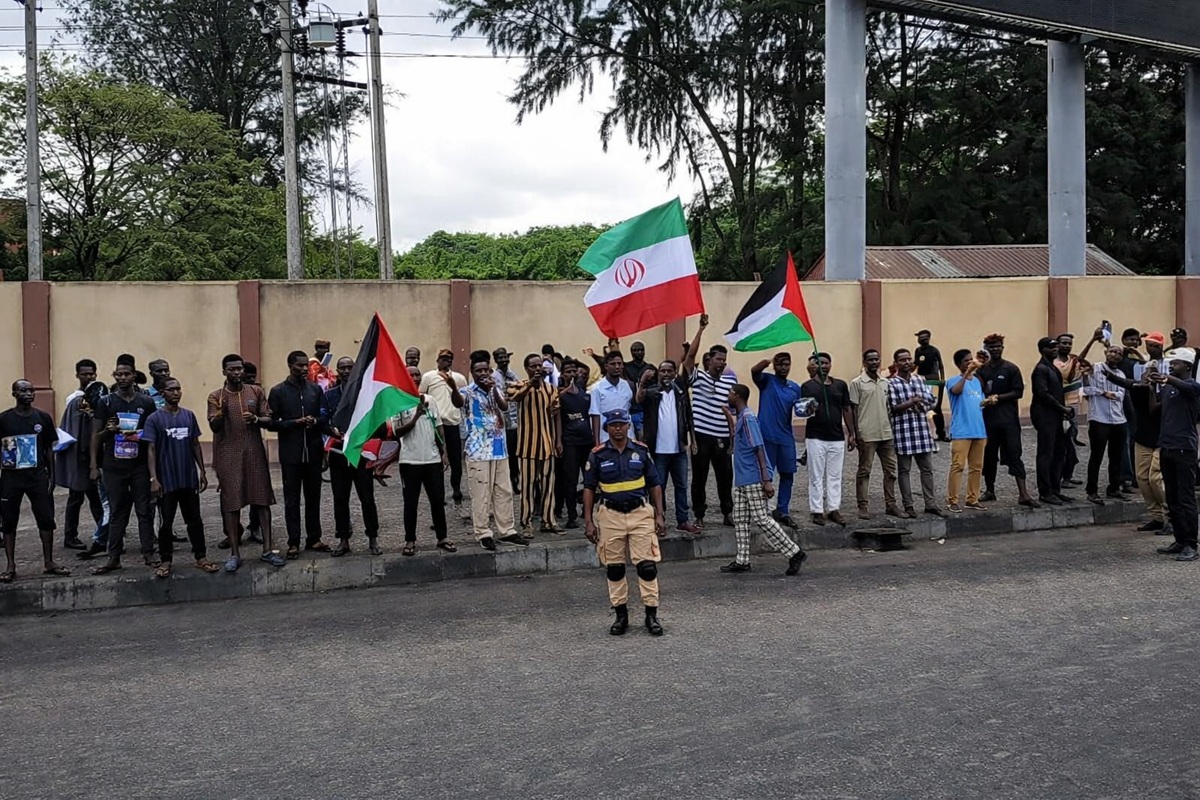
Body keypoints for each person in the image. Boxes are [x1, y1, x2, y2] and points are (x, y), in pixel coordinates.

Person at [582, 408, 666, 636]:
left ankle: (651, 615)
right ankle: (621, 615)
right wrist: (588, 521)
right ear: (607, 428)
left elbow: (654, 484)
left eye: (621, 424)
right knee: (615, 568)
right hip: (610, 516)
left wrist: (659, 514)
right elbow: (589, 488)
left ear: (628, 426)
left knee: (647, 567)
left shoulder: (641, 451)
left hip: (640, 513)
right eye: (613, 425)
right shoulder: (597, 455)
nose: (618, 428)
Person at [718, 384, 808, 576]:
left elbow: (758, 448)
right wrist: (728, 418)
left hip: (753, 477)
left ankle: (794, 552)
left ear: (737, 396)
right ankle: (742, 560)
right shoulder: (741, 418)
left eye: (730, 393)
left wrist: (766, 479)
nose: (728, 396)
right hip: (741, 479)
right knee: (740, 519)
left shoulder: (749, 418)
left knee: (761, 518)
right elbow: (738, 442)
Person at [207, 354, 282, 571]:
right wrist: (221, 412)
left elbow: (269, 418)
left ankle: (267, 549)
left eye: (239, 369)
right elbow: (214, 427)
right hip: (228, 455)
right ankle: (234, 553)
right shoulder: (216, 396)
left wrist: (257, 419)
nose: (237, 373)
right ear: (224, 372)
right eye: (232, 369)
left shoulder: (255, 392)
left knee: (262, 500)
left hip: (254, 452)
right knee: (231, 503)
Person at [89, 358, 160, 574]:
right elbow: (96, 435)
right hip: (113, 465)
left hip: (139, 466)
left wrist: (153, 470)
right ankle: (114, 556)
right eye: (118, 375)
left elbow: (152, 434)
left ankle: (148, 553)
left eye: (126, 374)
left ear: (133, 376)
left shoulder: (145, 402)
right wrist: (94, 465)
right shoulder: (106, 402)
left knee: (144, 510)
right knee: (117, 511)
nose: (122, 378)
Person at [142, 378, 217, 577]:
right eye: (171, 390)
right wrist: (153, 478)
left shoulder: (188, 416)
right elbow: (150, 449)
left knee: (194, 519)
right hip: (167, 480)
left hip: (188, 477)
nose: (175, 393)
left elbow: (195, 444)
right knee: (166, 522)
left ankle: (201, 556)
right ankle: (166, 560)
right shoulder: (154, 419)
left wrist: (202, 471)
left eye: (178, 389)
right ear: (162, 393)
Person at [0, 380, 70, 582]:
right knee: (9, 520)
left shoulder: (43, 418)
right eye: (23, 390)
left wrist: (52, 476)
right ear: (14, 393)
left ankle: (49, 562)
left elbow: (49, 449)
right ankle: (10, 565)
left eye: (31, 390)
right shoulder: (4, 419)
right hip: (11, 476)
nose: (29, 394)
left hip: (37, 476)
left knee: (46, 518)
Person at [460, 350, 527, 551]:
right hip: (478, 450)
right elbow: (456, 402)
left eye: (485, 370)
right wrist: (453, 388)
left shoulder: (495, 388)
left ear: (490, 371)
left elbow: (504, 407)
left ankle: (507, 530)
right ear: (472, 372)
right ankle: (483, 532)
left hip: (499, 448)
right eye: (478, 370)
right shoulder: (466, 392)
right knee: (481, 494)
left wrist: (493, 390)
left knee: (504, 491)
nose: (482, 373)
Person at [269, 350, 330, 559]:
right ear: (290, 366)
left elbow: (324, 418)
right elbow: (271, 423)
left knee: (314, 498)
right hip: (291, 455)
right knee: (292, 500)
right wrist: (294, 423)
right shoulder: (278, 392)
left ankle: (314, 538)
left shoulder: (315, 390)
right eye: (300, 365)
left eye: (306, 365)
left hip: (313, 453)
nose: (305, 369)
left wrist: (316, 422)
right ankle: (293, 541)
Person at [391, 366, 456, 556]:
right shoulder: (398, 402)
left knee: (437, 500)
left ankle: (442, 537)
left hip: (432, 459)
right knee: (411, 503)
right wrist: (416, 416)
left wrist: (444, 452)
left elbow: (438, 426)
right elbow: (397, 432)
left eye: (417, 374)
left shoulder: (430, 400)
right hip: (410, 461)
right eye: (410, 375)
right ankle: (410, 540)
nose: (414, 377)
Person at [322, 356, 380, 557]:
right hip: (338, 453)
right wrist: (331, 431)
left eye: (350, 367)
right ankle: (343, 539)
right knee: (340, 498)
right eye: (343, 368)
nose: (346, 371)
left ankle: (373, 538)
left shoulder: (364, 393)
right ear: (337, 370)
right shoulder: (329, 395)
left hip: (360, 453)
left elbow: (374, 420)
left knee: (367, 498)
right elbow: (323, 420)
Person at [637, 358, 699, 535]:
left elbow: (689, 417)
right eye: (662, 371)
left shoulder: (680, 392)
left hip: (678, 449)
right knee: (658, 487)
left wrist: (693, 441)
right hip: (658, 451)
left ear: (674, 373)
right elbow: (638, 399)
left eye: (669, 371)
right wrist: (642, 382)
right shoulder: (652, 393)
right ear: (658, 373)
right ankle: (659, 519)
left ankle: (683, 520)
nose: (666, 374)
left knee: (681, 486)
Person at [1150, 348, 1200, 561]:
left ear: (1187, 366)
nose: (1171, 366)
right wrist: (1151, 386)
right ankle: (1180, 540)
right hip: (1167, 447)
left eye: (1175, 363)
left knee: (1186, 498)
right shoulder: (1169, 389)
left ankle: (1191, 544)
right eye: (1170, 364)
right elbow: (1154, 409)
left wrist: (1166, 378)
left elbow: (1186, 388)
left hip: (1184, 449)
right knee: (1172, 498)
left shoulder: (1193, 386)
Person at [687, 315, 736, 528]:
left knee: (725, 477)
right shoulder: (698, 378)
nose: (722, 362)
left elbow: (732, 409)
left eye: (724, 360)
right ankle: (699, 515)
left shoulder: (729, 382)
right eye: (719, 359)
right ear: (709, 360)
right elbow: (690, 357)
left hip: (722, 436)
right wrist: (700, 330)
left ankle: (727, 512)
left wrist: (732, 437)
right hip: (701, 435)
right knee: (699, 477)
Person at [977, 333, 1037, 506]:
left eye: (998, 346)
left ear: (1002, 348)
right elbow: (977, 390)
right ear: (986, 349)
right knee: (989, 456)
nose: (995, 349)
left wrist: (998, 397)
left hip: (1009, 420)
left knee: (1014, 454)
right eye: (991, 347)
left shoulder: (1011, 369)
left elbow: (1018, 392)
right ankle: (989, 490)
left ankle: (1023, 494)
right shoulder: (982, 370)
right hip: (988, 421)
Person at [57, 359, 109, 554]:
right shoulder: (75, 399)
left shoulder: (100, 395)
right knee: (76, 496)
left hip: (93, 454)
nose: (89, 377)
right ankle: (70, 536)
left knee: (96, 497)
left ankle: (104, 533)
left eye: (91, 374)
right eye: (85, 374)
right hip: (79, 455)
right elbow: (75, 429)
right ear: (77, 375)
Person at [509, 353, 562, 536]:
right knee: (527, 487)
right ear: (526, 368)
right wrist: (531, 384)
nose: (538, 369)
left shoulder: (551, 389)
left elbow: (556, 415)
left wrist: (558, 440)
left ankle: (548, 520)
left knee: (548, 486)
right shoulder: (519, 385)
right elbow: (513, 398)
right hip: (527, 447)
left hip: (547, 444)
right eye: (533, 366)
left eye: (540, 365)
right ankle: (526, 523)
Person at [887, 349, 943, 517]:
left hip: (921, 431)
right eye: (902, 360)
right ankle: (908, 505)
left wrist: (920, 405)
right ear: (896, 363)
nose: (907, 362)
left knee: (927, 470)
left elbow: (930, 401)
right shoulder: (891, 383)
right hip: (903, 432)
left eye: (909, 359)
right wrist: (911, 402)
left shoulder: (919, 379)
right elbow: (893, 408)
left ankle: (930, 504)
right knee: (904, 470)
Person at [751, 352, 803, 528]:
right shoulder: (766, 381)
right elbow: (754, 371)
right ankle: (763, 511)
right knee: (766, 474)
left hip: (786, 436)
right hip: (767, 435)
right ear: (775, 366)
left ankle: (782, 511)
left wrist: (810, 407)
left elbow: (800, 410)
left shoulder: (795, 388)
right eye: (780, 364)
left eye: (786, 364)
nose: (783, 368)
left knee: (788, 474)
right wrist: (767, 360)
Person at [801, 352, 854, 526]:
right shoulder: (808, 386)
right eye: (819, 363)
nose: (823, 366)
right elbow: (804, 410)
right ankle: (816, 510)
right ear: (814, 366)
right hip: (815, 436)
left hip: (836, 436)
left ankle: (833, 508)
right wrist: (810, 407)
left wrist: (851, 433)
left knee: (835, 475)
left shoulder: (840, 385)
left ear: (830, 365)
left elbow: (846, 409)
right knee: (816, 475)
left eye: (825, 363)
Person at [849, 349, 901, 519]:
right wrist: (856, 434)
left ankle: (891, 504)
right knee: (864, 471)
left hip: (886, 433)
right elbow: (853, 410)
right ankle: (863, 506)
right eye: (870, 360)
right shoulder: (857, 383)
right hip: (867, 434)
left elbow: (888, 408)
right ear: (864, 362)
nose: (874, 362)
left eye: (876, 359)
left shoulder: (885, 382)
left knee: (891, 471)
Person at [420, 349, 468, 515]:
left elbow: (463, 400)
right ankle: (438, 500)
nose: (446, 361)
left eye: (449, 358)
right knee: (437, 463)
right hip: (434, 425)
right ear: (437, 360)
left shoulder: (459, 378)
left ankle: (457, 494)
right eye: (443, 358)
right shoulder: (429, 377)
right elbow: (422, 396)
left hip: (452, 423)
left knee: (456, 463)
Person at [1081, 345, 1129, 505]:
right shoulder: (1094, 369)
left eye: (1119, 353)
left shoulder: (1120, 374)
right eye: (1112, 351)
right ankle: (1091, 490)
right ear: (1106, 353)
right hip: (1099, 419)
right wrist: (1102, 392)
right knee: (1097, 456)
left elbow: (1120, 395)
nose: (1115, 355)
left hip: (1118, 419)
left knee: (1116, 456)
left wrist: (1107, 393)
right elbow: (1087, 390)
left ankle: (1114, 487)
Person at [1030, 336, 1075, 506]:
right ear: (1043, 350)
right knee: (1046, 454)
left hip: (1056, 416)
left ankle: (1055, 489)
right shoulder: (1041, 369)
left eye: (1056, 346)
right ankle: (1045, 491)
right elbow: (1042, 393)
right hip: (1045, 416)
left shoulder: (1052, 368)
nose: (1055, 349)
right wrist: (1062, 408)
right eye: (1051, 347)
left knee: (1059, 453)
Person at [945, 349, 988, 512]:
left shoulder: (977, 381)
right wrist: (966, 374)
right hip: (962, 430)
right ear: (959, 364)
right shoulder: (953, 381)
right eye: (966, 361)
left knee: (976, 467)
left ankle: (972, 498)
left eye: (971, 359)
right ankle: (952, 500)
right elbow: (956, 391)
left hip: (979, 429)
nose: (970, 362)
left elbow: (979, 402)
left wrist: (988, 401)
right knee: (958, 466)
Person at [556, 360, 592, 529]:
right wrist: (559, 441)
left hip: (587, 442)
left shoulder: (585, 394)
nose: (571, 374)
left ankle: (587, 512)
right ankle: (571, 516)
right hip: (570, 442)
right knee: (570, 480)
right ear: (562, 374)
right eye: (568, 371)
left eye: (573, 371)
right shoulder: (559, 395)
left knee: (589, 479)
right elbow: (557, 419)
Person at [1054, 333, 1085, 486]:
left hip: (1073, 407)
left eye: (1069, 343)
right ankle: (1061, 477)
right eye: (1064, 343)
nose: (1067, 346)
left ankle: (1067, 475)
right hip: (1060, 407)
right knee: (1064, 444)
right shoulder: (1056, 363)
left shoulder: (1072, 360)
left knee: (1070, 441)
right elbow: (1070, 374)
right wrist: (1092, 340)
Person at [492, 347, 523, 494]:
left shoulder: (512, 374)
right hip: (501, 420)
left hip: (514, 419)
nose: (504, 360)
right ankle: (506, 480)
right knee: (505, 453)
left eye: (505, 357)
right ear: (496, 360)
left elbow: (519, 388)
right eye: (501, 358)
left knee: (514, 451)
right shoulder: (494, 376)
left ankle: (515, 478)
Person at [589, 350, 635, 446]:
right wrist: (597, 443)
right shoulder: (597, 389)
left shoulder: (627, 385)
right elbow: (595, 415)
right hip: (605, 438)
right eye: (613, 364)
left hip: (628, 436)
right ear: (606, 366)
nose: (617, 367)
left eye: (619, 363)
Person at [914, 330, 949, 442]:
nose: (922, 339)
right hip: (922, 381)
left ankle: (941, 434)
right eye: (920, 338)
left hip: (933, 380)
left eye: (924, 337)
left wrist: (942, 380)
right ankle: (923, 434)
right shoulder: (918, 351)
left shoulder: (934, 350)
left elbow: (941, 366)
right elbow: (916, 364)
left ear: (928, 338)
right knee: (921, 407)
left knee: (936, 408)